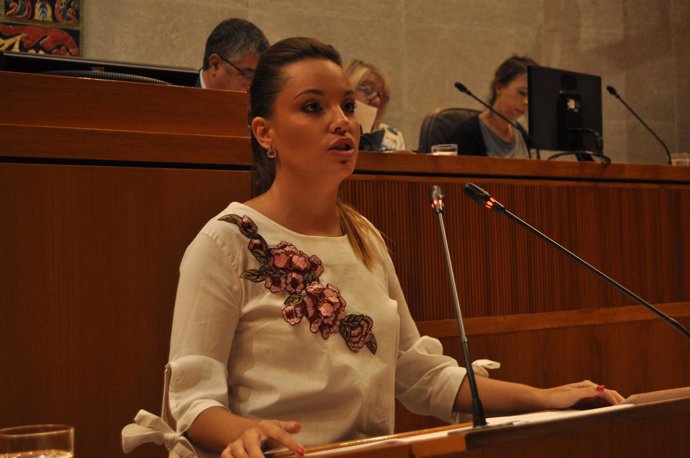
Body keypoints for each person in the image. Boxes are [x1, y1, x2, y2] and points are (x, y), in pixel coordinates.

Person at [122, 38, 622, 458]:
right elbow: (191, 398)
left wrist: (543, 398)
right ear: (264, 132)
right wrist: (242, 432)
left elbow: (419, 375)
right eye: (313, 107)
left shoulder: (364, 237)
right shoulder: (225, 241)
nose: (341, 121)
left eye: (345, 105)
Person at [451, 55, 537, 158]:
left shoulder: (523, 135)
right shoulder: (467, 135)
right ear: (499, 87)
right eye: (522, 93)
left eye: (531, 96)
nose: (526, 102)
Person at [344, 59, 406, 151]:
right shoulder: (334, 128)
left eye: (381, 95)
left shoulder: (392, 137)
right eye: (367, 90)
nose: (377, 101)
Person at [197, 18, 269, 91]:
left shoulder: (255, 101)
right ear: (215, 65)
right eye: (248, 74)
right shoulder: (185, 96)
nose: (254, 89)